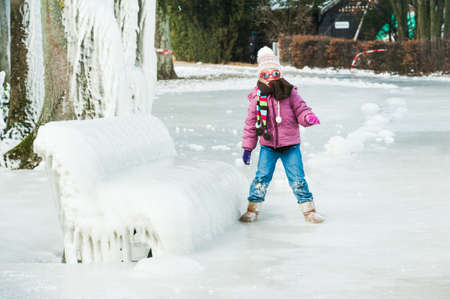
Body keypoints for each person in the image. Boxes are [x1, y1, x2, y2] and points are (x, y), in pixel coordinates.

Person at [240, 46, 325, 224]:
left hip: (290, 146)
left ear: (280, 73)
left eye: (275, 73)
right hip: (268, 147)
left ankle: (309, 210)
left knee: (297, 179)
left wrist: (307, 117)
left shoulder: (290, 92)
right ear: (260, 76)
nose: (270, 78)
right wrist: (248, 147)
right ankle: (252, 209)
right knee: (261, 178)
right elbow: (250, 123)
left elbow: (301, 109)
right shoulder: (257, 97)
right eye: (265, 75)